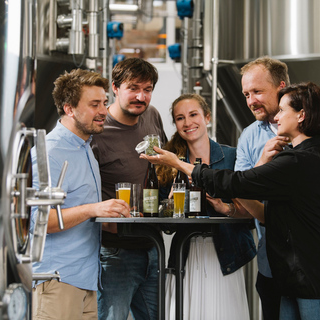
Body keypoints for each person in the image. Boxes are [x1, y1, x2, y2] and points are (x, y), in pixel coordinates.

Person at [142, 82, 320, 320]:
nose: (277, 117)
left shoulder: (299, 161)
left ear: (302, 115)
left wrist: (179, 164)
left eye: (283, 111)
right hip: (294, 278)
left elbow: (238, 181)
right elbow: (266, 213)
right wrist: (230, 205)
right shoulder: (297, 158)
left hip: (318, 279)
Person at [235, 57, 320, 319]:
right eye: (246, 94)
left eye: (257, 91)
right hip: (273, 266)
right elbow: (243, 191)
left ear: (281, 86)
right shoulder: (250, 136)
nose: (251, 101)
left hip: (319, 266)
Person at [30, 69, 131, 320]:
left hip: (87, 281)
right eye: (94, 104)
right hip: (57, 281)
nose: (103, 111)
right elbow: (38, 223)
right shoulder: (49, 153)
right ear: (69, 109)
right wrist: (93, 209)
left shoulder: (85, 148)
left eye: (104, 103)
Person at [157, 94, 256, 319]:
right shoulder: (170, 164)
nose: (187, 122)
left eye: (193, 115)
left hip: (226, 255)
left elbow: (253, 215)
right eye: (180, 118)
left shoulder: (232, 156)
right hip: (185, 254)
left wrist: (225, 208)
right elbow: (166, 226)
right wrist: (171, 203)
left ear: (207, 117)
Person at [90, 58, 167, 320]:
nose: (140, 96)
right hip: (116, 252)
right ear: (115, 87)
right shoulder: (98, 131)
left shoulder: (152, 116)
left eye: (147, 89)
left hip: (152, 245)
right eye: (133, 88)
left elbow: (163, 168)